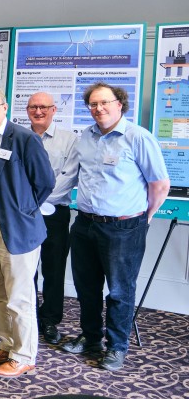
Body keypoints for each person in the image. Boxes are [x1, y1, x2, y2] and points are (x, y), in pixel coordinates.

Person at [60, 83, 169, 372]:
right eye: (93, 104)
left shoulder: (138, 138)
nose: (99, 109)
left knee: (120, 291)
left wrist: (146, 216)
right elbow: (73, 175)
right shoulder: (86, 136)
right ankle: (91, 337)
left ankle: (117, 346)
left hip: (123, 228)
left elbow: (159, 184)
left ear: (119, 104)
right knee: (87, 287)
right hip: (84, 224)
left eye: (105, 102)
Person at [0, 86, 54, 379]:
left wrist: (22, 210)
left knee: (20, 295)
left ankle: (24, 355)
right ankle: (7, 345)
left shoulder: (24, 138)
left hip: (16, 228)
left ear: (4, 107)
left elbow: (45, 182)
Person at [25, 91, 78, 345]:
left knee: (53, 268)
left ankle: (50, 318)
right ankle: (28, 315)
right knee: (25, 268)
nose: (38, 112)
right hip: (23, 215)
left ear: (54, 110)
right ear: (27, 110)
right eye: (33, 107)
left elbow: (67, 179)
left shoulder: (69, 140)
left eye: (44, 107)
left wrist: (36, 201)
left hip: (55, 214)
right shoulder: (19, 137)